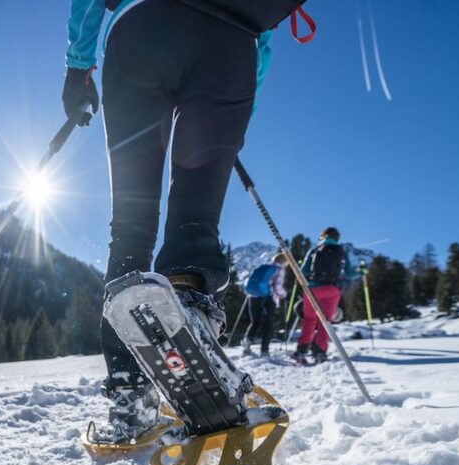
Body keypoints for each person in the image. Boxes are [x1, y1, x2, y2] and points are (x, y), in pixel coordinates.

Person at [62, 0, 294, 442]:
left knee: (130, 226)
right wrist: (233, 122)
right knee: (195, 220)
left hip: (141, 29)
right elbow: (264, 41)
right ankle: (191, 314)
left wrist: (79, 65)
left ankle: (131, 394)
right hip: (233, 42)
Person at [294, 226, 358, 364]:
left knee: (309, 320)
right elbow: (350, 274)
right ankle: (320, 353)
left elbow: (303, 271)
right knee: (325, 321)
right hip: (332, 290)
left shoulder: (314, 249)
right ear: (337, 238)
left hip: (313, 289)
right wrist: (362, 272)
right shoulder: (341, 251)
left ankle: (301, 352)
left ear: (322, 236)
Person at [243, 254, 287, 356]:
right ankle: (264, 350)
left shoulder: (263, 267)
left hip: (252, 297)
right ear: (284, 262)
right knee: (267, 324)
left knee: (255, 322)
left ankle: (247, 344)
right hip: (267, 299)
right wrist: (284, 295)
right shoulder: (279, 269)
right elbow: (278, 287)